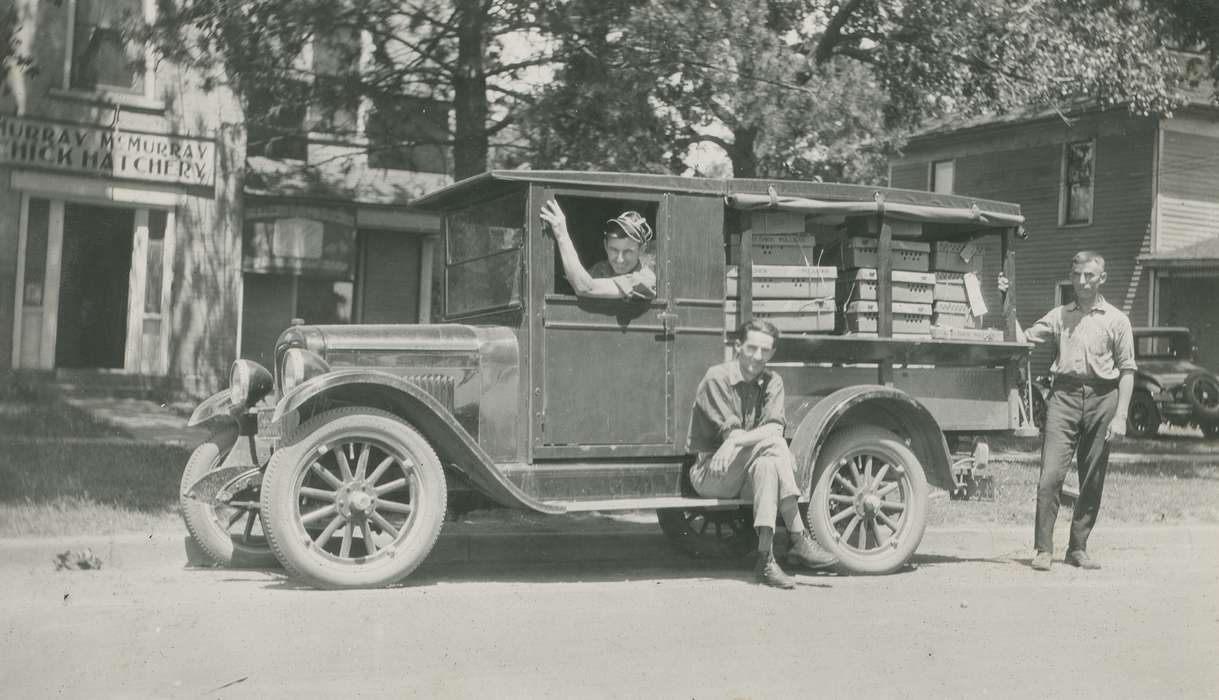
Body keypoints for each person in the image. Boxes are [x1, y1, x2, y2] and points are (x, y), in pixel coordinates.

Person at [1004, 251, 1135, 572]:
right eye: (1076, 275)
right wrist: (1006, 299)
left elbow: (1128, 370)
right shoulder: (1060, 315)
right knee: (1050, 477)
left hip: (1103, 398)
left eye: (1089, 275)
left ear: (1102, 278)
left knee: (1092, 477)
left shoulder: (1117, 319)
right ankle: (1043, 549)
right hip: (1063, 397)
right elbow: (1021, 340)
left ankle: (1078, 547)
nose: (1081, 281)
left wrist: (1120, 415)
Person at [687, 319, 839, 588]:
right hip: (712, 473)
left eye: (765, 350)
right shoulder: (717, 377)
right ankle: (798, 538)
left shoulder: (772, 381)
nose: (758, 357)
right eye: (752, 348)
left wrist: (738, 443)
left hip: (748, 471)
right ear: (738, 346)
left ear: (773, 353)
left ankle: (765, 560)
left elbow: (772, 428)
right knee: (777, 445)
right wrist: (738, 441)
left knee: (769, 465)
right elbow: (741, 433)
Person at [539, 199, 657, 301]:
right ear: (605, 246)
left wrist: (562, 235)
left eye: (628, 252)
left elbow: (585, 287)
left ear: (641, 250)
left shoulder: (644, 279)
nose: (620, 259)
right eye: (614, 250)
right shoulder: (600, 269)